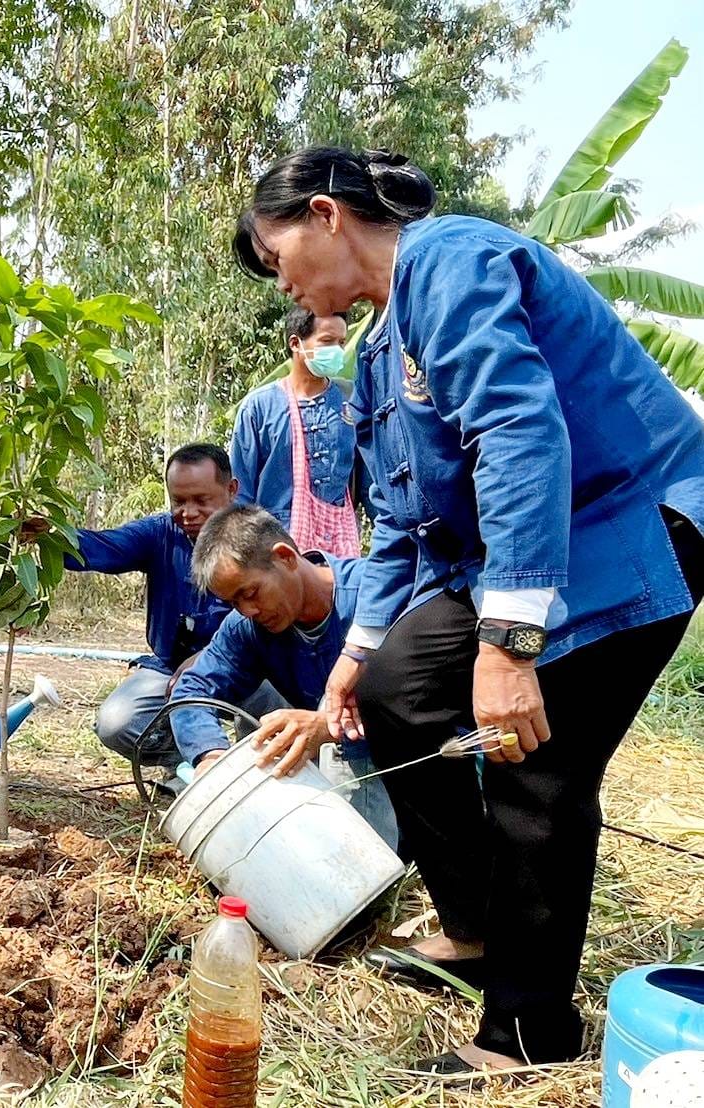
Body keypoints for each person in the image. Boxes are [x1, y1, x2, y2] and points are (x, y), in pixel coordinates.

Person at [234, 146, 704, 1075]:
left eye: (275, 254)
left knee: (531, 765)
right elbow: (402, 528)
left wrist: (510, 647)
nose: (278, 279)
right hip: (516, 553)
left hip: (625, 525)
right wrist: (353, 662)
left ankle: (527, 1034)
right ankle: (479, 927)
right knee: (399, 691)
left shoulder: (450, 260)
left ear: (325, 214)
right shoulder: (378, 357)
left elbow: (521, 433)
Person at [168, 504, 397, 849]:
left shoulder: (380, 595)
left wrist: (328, 726)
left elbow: (429, 695)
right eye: (234, 603)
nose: (248, 611)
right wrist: (210, 757)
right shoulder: (247, 628)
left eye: (250, 593)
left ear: (286, 557)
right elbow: (193, 689)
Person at [63, 444, 265, 781]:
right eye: (178, 501)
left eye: (201, 500)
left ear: (231, 490)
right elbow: (104, 547)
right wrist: (51, 536)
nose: (188, 512)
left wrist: (211, 655)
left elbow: (272, 617)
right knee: (117, 722)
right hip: (170, 670)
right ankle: (186, 763)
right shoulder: (160, 533)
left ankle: (257, 775)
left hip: (248, 664)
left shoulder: (259, 539)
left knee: (280, 701)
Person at [231, 307, 362, 556]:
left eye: (341, 342)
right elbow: (241, 493)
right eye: (327, 341)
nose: (337, 350)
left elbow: (367, 479)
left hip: (338, 546)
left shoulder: (351, 398)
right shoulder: (259, 407)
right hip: (274, 547)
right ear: (295, 343)